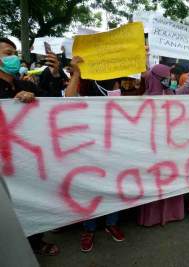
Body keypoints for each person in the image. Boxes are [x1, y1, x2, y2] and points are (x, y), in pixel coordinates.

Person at [0, 37, 60, 256]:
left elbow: (53, 103)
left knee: (30, 202)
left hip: (25, 159)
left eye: (14, 53)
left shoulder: (24, 84)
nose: (12, 57)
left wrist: (54, 75)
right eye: (7, 53)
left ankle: (36, 242)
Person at [65, 56, 125, 252]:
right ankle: (89, 228)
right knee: (90, 189)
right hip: (88, 150)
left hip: (114, 148)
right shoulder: (84, 86)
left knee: (114, 187)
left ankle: (111, 223)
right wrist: (76, 73)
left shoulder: (115, 85)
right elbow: (67, 100)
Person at [136, 64, 185, 227]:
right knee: (154, 181)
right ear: (156, 78)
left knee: (170, 178)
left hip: (169, 147)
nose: (170, 79)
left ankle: (171, 213)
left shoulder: (171, 93)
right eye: (166, 76)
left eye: (170, 76)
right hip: (153, 149)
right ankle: (153, 217)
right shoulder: (145, 97)